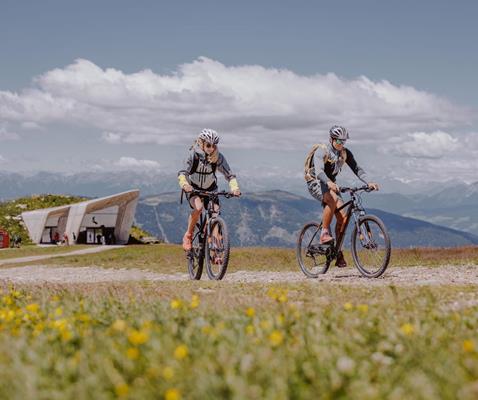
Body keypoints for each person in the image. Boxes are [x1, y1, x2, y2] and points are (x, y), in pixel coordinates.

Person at [305, 125, 379, 267]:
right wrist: (328, 182)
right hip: (316, 182)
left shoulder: (345, 153)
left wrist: (369, 182)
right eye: (338, 141)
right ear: (331, 139)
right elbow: (319, 171)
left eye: (343, 141)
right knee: (331, 200)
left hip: (331, 184)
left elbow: (357, 169)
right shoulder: (322, 151)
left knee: (343, 219)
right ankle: (324, 233)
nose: (341, 144)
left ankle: (337, 253)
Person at [178, 129, 241, 251]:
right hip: (193, 189)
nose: (211, 148)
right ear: (201, 143)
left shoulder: (218, 158)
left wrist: (235, 188)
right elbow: (182, 173)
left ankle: (215, 248)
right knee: (198, 208)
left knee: (215, 213)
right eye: (208, 145)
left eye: (214, 145)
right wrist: (185, 185)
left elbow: (230, 175)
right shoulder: (193, 155)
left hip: (211, 189)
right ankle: (188, 235)